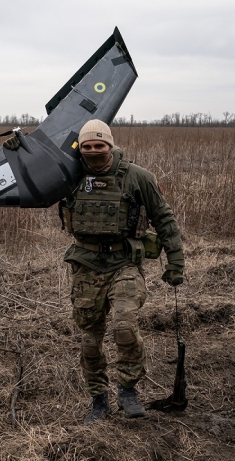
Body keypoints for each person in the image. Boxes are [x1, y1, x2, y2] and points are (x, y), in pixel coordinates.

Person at [60, 119, 184, 424]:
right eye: (86, 146)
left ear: (111, 145)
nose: (93, 151)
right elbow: (29, 186)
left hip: (124, 264)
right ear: (80, 149)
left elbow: (164, 219)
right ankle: (98, 400)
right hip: (86, 267)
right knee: (90, 341)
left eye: (99, 145)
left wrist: (176, 261)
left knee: (124, 326)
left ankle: (128, 389)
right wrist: (17, 155)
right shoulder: (67, 177)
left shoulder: (137, 177)